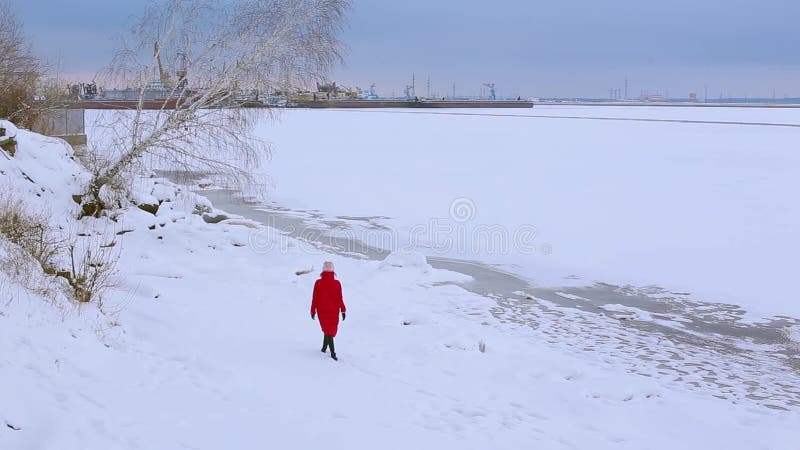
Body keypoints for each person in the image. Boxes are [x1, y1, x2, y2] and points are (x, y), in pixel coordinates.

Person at [311, 261, 346, 361]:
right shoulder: (337, 283)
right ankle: (333, 353)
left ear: (323, 271)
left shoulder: (318, 283)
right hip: (334, 312)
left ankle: (323, 348)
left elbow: (315, 298)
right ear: (333, 271)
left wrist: (313, 310)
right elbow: (340, 299)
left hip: (322, 312)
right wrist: (343, 310)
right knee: (329, 331)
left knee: (327, 330)